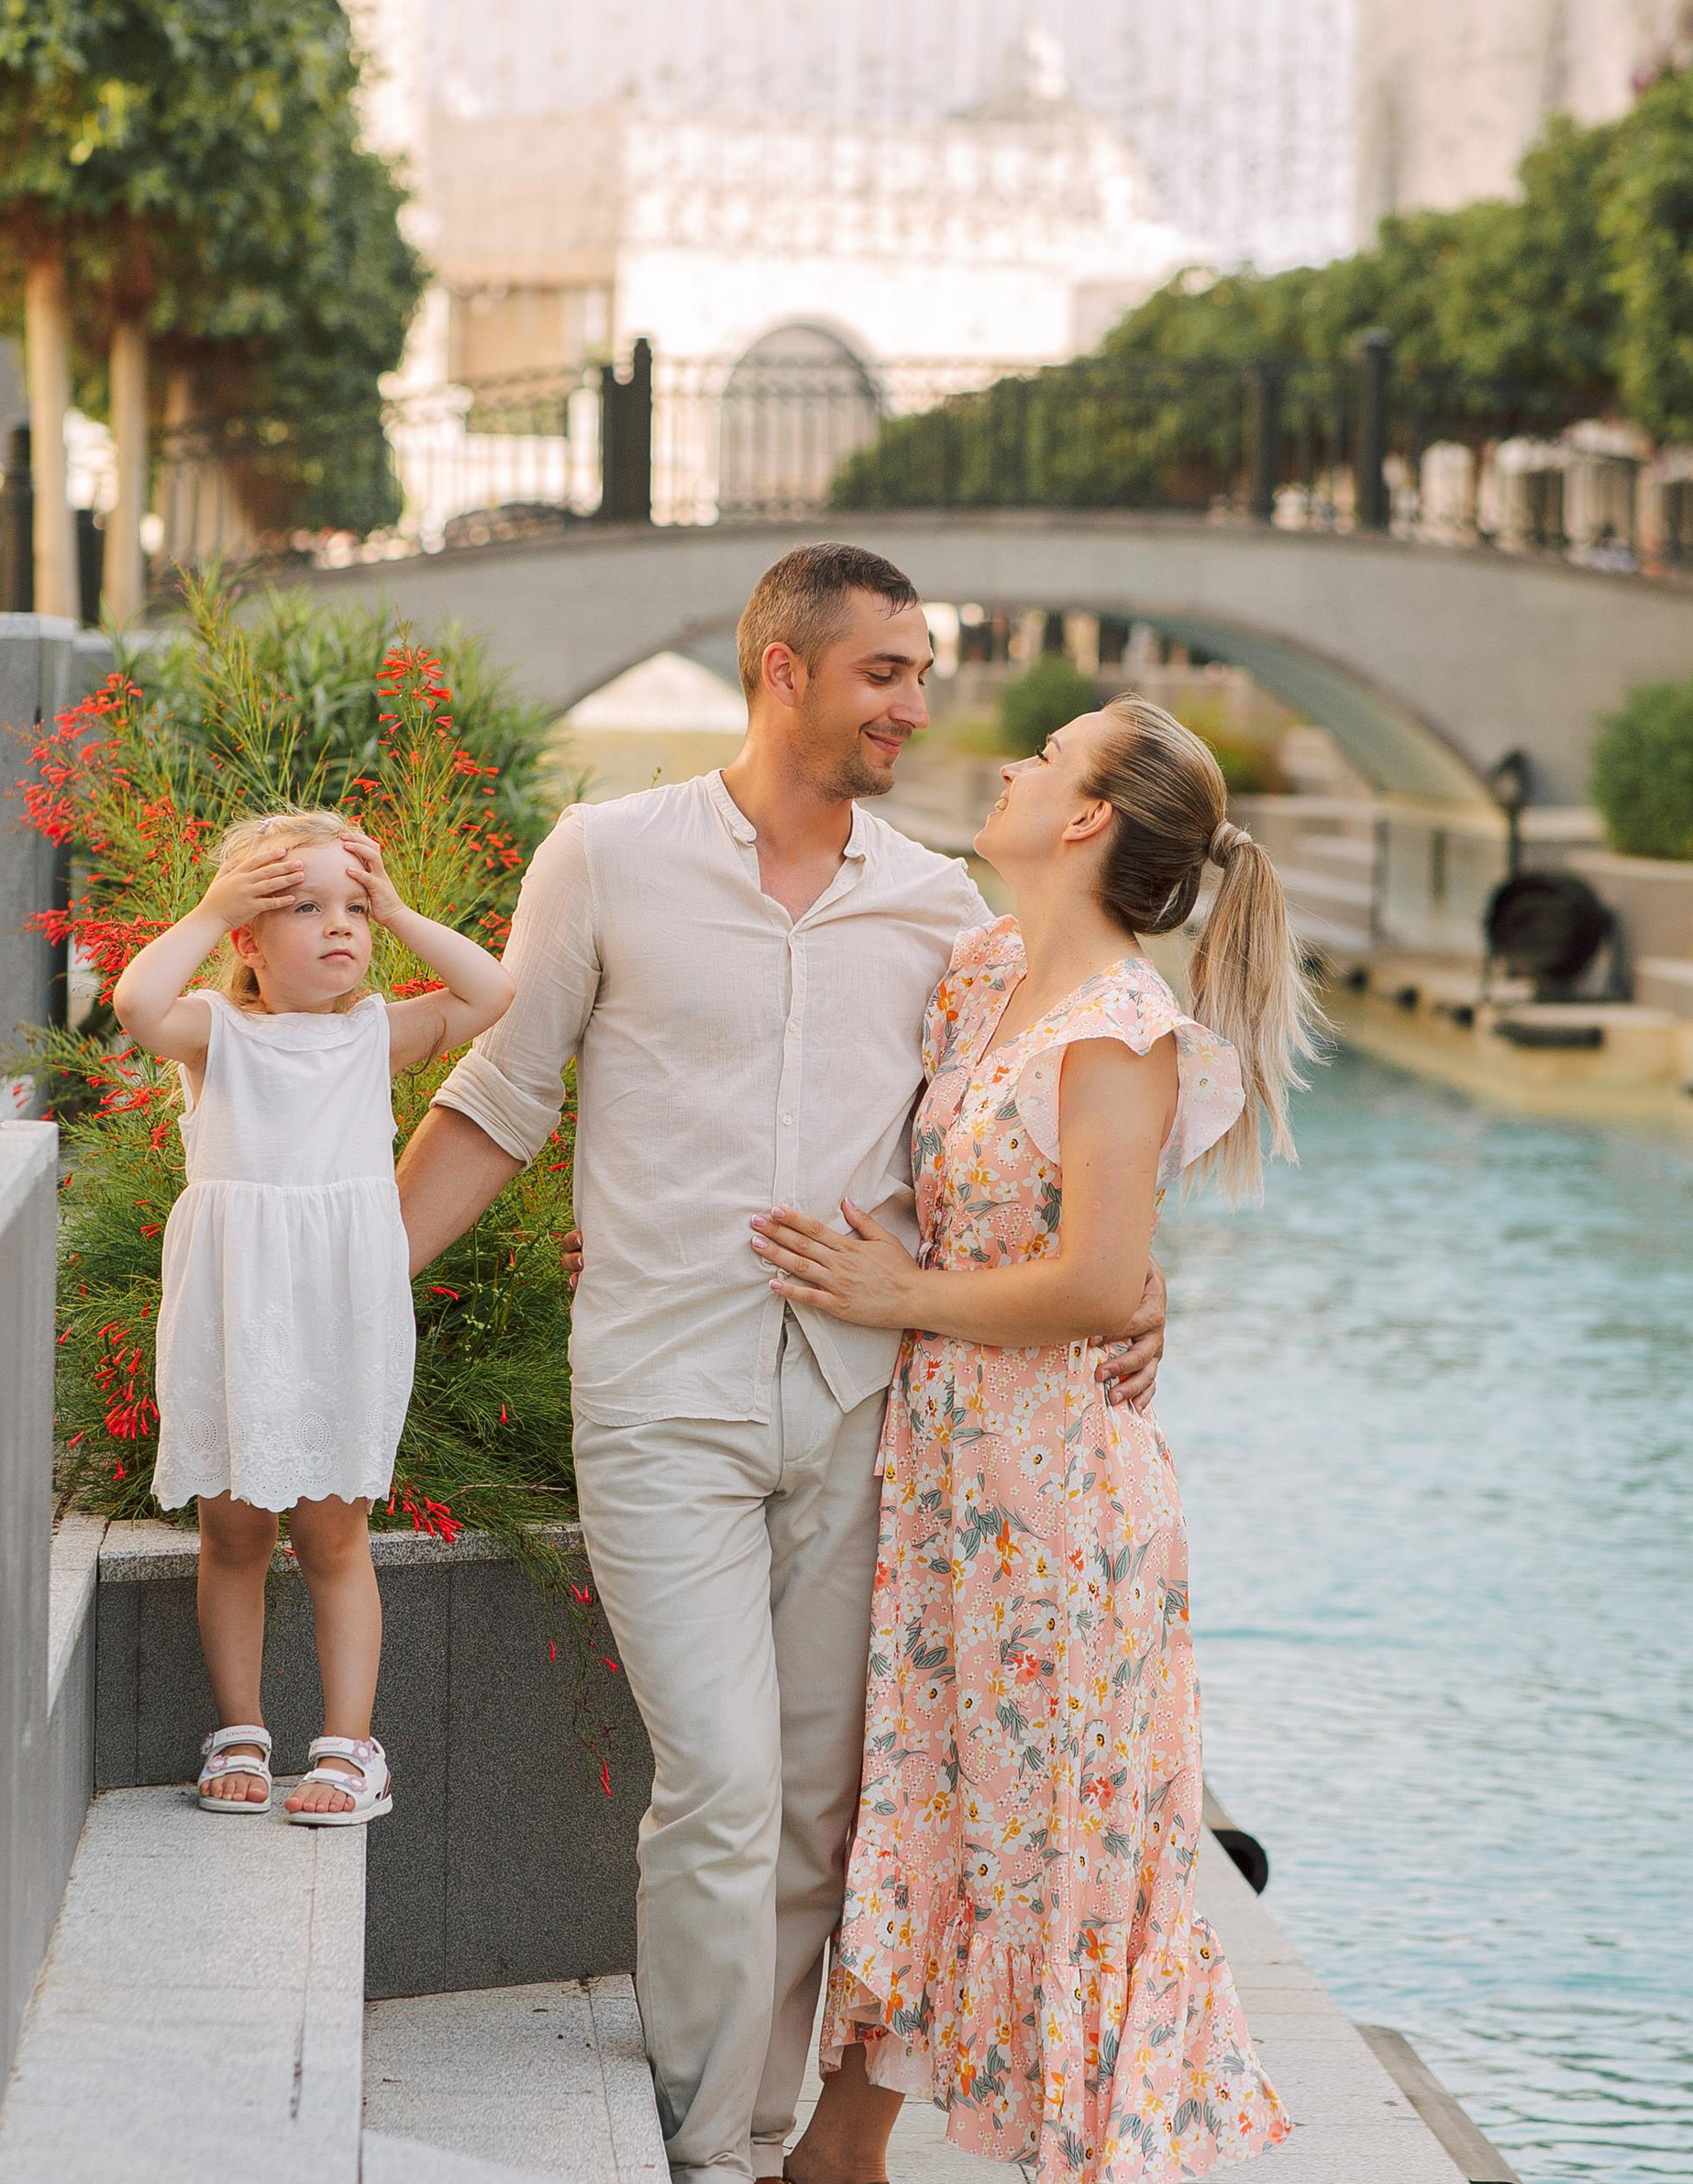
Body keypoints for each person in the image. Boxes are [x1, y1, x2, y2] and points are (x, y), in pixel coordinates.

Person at [396, 544, 1168, 2182]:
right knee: (728, 1784)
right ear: (782, 669)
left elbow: (1017, 1124)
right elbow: (500, 1100)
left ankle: (760, 2132)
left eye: (922, 670)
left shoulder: (942, 909)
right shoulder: (606, 858)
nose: (916, 700)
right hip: (663, 1392)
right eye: (885, 669)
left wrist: (1135, 1275)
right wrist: (339, 1283)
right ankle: (705, 2143)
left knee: (821, 1804)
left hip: (866, 1406)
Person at [761, 698, 1315, 2182]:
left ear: (1084, 822)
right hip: (954, 1490)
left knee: (1053, 1855)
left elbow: (1087, 1281)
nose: (1007, 767)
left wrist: (908, 1293)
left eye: (1044, 757)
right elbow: (1107, 1269)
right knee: (938, 1817)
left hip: (1058, 1510)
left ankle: (1054, 2156)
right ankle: (841, 2155)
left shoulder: (1123, 1035)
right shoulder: (980, 971)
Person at [113, 809, 514, 1823]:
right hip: (239, 1312)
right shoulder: (217, 1032)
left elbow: (491, 991)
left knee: (334, 1534)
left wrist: (400, 906)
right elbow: (134, 1001)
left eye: (354, 907)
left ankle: (347, 1745)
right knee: (235, 1531)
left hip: (335, 1314)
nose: (341, 926)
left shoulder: (374, 1034)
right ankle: (239, 1728)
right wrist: (210, 908)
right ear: (249, 936)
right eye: (305, 907)